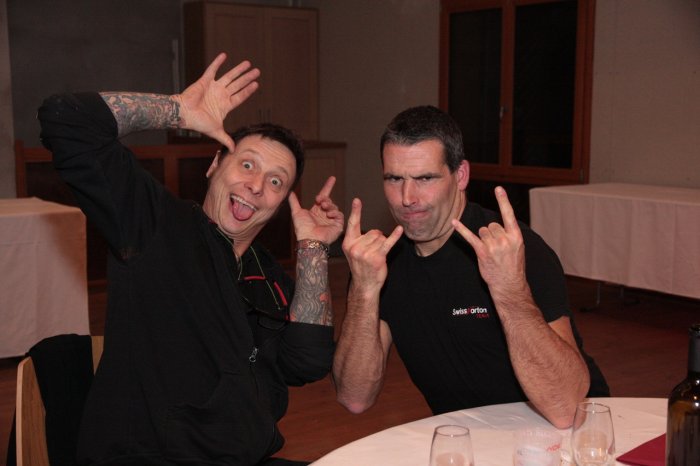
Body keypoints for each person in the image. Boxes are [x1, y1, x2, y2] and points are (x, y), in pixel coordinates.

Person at [38, 53, 344, 465]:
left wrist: (313, 249)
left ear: (280, 203)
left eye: (276, 181)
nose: (256, 185)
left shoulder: (265, 272)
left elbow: (306, 363)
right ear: (215, 165)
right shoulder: (156, 224)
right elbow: (66, 119)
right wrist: (179, 110)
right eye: (247, 164)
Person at [334, 105, 608, 429]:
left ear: (460, 175)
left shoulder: (513, 249)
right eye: (394, 179)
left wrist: (509, 290)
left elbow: (565, 409)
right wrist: (363, 291)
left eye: (425, 178)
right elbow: (355, 397)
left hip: (572, 434)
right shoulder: (381, 262)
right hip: (469, 436)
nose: (407, 197)